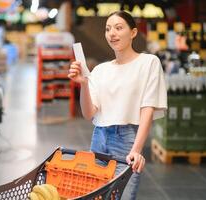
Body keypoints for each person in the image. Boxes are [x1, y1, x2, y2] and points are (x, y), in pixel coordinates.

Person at [68, 11, 167, 200]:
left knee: (122, 196)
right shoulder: (100, 70)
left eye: (118, 28)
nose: (112, 33)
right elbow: (89, 113)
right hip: (99, 138)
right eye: (108, 29)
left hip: (128, 140)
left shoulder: (148, 63)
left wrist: (137, 150)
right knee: (95, 197)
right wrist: (83, 83)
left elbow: (147, 108)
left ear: (133, 32)